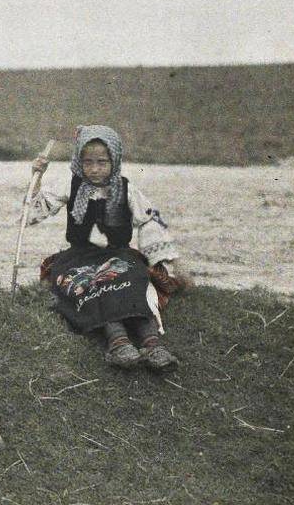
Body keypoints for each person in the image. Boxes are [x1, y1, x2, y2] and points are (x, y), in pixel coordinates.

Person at [27, 125, 189, 371]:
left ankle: (153, 344)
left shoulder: (127, 189)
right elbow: (35, 211)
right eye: (88, 162)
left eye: (102, 162)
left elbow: (149, 222)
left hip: (119, 254)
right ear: (79, 161)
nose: (94, 169)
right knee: (92, 281)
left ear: (115, 160)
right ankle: (118, 342)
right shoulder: (70, 185)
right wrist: (36, 177)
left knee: (131, 279)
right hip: (79, 257)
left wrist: (163, 261)